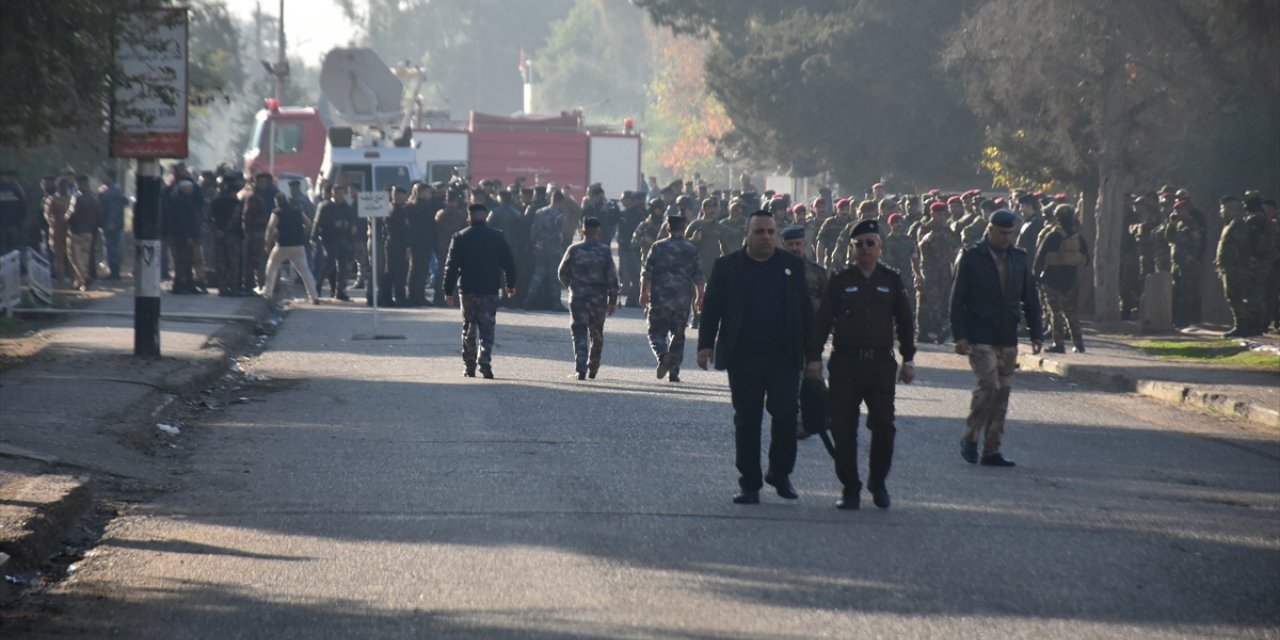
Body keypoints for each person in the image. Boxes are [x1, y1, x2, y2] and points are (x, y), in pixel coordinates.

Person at [697, 210, 812, 504]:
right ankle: (749, 483)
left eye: (771, 232)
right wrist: (705, 344)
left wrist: (813, 357)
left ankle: (780, 473)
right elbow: (711, 308)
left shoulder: (792, 267)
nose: (766, 237)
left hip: (783, 357)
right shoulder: (727, 267)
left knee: (786, 416)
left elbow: (806, 315)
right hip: (744, 357)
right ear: (746, 235)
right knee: (747, 421)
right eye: (759, 232)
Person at [807, 219, 915, 509]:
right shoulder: (841, 280)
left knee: (883, 425)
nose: (865, 248)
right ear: (851, 248)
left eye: (871, 243)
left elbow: (905, 321)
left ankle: (878, 482)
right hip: (845, 364)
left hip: (880, 364)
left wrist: (909, 358)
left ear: (880, 247)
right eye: (859, 244)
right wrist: (814, 358)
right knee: (843, 428)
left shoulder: (891, 280)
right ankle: (850, 486)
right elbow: (823, 321)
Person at [950, 209, 1044, 468]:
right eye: (1002, 233)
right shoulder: (971, 257)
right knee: (989, 385)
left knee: (1003, 393)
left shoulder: (1019, 258)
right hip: (980, 333)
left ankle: (991, 450)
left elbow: (1030, 298)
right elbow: (957, 299)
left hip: (1007, 333)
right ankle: (970, 437)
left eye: (1010, 234)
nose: (1006, 238)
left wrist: (1037, 331)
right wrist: (960, 335)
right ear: (989, 230)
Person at [443, 203, 517, 379]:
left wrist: (448, 290)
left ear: (469, 217)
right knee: (487, 327)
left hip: (467, 289)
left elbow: (451, 266)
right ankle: (485, 362)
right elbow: (508, 261)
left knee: (468, 326)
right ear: (485, 217)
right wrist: (511, 283)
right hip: (489, 289)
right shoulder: (497, 236)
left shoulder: (460, 237)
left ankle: (469, 366)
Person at [640, 214, 705, 383]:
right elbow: (699, 277)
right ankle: (674, 371)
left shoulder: (657, 247)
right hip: (682, 300)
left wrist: (643, 292)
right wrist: (700, 297)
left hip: (660, 299)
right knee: (678, 335)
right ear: (684, 229)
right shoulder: (691, 249)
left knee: (655, 332)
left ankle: (663, 355)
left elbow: (646, 273)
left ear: (668, 229)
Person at [557, 216, 619, 379]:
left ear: (583, 231)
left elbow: (562, 273)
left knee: (579, 330)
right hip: (598, 298)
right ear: (598, 231)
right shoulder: (604, 251)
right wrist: (613, 300)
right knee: (596, 332)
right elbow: (612, 278)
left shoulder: (574, 249)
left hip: (578, 296)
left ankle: (581, 366)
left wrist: (571, 286)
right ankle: (593, 366)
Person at [1034, 205, 1090, 353]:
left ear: (1056, 217)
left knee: (1055, 313)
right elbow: (1087, 259)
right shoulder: (1078, 238)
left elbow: (1039, 257)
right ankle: (1079, 344)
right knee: (1072, 313)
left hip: (1052, 280)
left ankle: (1058, 344)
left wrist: (1036, 276)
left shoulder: (1053, 236)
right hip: (1071, 280)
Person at [1215, 195, 1266, 337]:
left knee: (1235, 297)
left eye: (1223, 208)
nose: (1221, 211)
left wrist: (1240, 264)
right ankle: (1243, 325)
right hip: (1229, 267)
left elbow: (1243, 246)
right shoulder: (1231, 224)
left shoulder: (1238, 224)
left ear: (1230, 209)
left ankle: (1241, 326)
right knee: (1233, 297)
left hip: (1235, 268)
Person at [260, 192, 321, 304]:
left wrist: (267, 244)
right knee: (305, 271)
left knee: (271, 267)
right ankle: (314, 296)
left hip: (282, 246)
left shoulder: (276, 213)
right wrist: (302, 234)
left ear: (277, 202)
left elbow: (270, 228)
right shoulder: (297, 211)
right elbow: (309, 224)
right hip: (298, 245)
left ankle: (267, 293)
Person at [311, 184, 356, 300]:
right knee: (330, 262)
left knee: (343, 266)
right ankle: (317, 285)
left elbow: (351, 221)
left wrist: (348, 226)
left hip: (343, 239)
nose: (340, 196)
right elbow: (318, 223)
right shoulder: (325, 206)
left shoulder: (346, 207)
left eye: (342, 194)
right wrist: (313, 238)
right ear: (332, 194)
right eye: (338, 193)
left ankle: (340, 291)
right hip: (328, 238)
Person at [66, 175, 101, 291]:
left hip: (76, 231)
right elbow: (98, 215)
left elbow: (73, 214)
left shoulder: (76, 198)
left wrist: (66, 218)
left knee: (75, 257)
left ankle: (85, 277)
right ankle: (80, 282)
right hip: (89, 231)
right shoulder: (94, 198)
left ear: (78, 184)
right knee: (85, 257)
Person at [97, 169, 127, 280]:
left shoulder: (113, 192)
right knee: (109, 247)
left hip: (112, 225)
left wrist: (111, 222)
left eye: (105, 176)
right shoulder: (107, 190)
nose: (103, 179)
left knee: (112, 247)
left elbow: (115, 209)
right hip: (108, 223)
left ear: (110, 178)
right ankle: (112, 270)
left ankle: (115, 272)